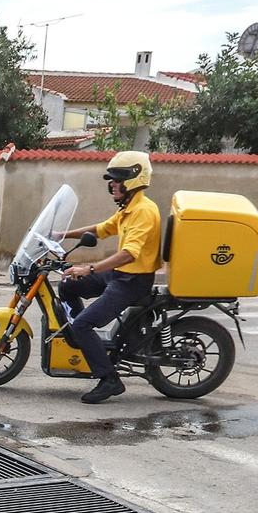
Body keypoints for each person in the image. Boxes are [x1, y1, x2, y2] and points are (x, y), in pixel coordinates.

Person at [59, 151, 161, 405]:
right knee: (67, 285)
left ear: (134, 180)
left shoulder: (144, 211)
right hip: (119, 275)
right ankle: (80, 339)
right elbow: (101, 229)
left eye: (117, 179)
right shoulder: (129, 209)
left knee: (83, 324)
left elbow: (128, 254)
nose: (112, 184)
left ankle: (109, 379)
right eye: (111, 180)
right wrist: (60, 234)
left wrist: (90, 269)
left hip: (132, 282)